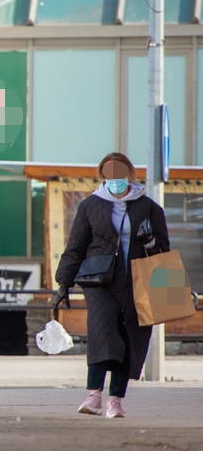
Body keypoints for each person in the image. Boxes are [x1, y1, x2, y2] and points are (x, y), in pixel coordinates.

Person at [53, 153, 169, 419]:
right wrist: (63, 283)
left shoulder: (149, 207)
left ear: (130, 174)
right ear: (103, 176)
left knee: (130, 337)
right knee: (102, 332)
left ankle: (115, 399)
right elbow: (75, 247)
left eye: (121, 172)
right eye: (109, 173)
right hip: (100, 281)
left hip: (139, 282)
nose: (116, 179)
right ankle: (94, 395)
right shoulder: (90, 206)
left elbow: (163, 253)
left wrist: (149, 241)